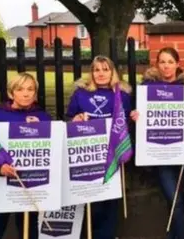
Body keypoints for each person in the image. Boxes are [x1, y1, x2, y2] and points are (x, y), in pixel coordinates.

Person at [132, 47, 184, 239]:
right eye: (162, 62)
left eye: (170, 62)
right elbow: (139, 116)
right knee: (176, 201)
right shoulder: (147, 89)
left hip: (182, 152)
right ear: (157, 64)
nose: (166, 66)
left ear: (177, 64)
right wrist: (136, 116)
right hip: (161, 154)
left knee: (180, 202)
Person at [65, 55, 138, 239]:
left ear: (112, 72)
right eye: (96, 69)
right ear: (91, 73)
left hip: (113, 153)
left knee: (110, 202)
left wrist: (135, 118)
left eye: (105, 69)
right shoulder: (81, 93)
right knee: (92, 203)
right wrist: (75, 119)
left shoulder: (122, 95)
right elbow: (68, 119)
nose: (101, 73)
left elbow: (129, 123)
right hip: (88, 153)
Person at [0, 72, 53, 239]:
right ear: (11, 93)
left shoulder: (43, 117)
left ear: (35, 93)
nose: (26, 93)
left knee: (29, 232)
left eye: (30, 89)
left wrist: (41, 129)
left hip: (31, 186)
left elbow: (54, 149)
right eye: (20, 89)